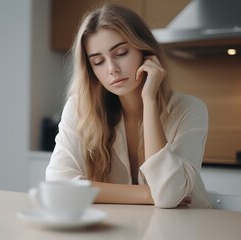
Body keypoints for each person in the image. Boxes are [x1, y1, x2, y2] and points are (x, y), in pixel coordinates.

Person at [46, 3, 211, 208]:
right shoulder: (80, 108)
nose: (112, 69)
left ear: (145, 51)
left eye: (121, 52)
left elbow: (168, 196)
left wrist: (149, 100)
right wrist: (148, 195)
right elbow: (58, 185)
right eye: (98, 62)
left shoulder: (189, 109)